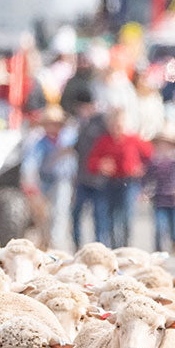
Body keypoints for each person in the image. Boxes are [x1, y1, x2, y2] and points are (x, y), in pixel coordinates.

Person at [87, 107, 152, 248]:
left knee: (126, 216)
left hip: (128, 182)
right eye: (114, 124)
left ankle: (125, 245)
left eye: (120, 124)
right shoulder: (104, 141)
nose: (117, 127)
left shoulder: (133, 139)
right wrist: (100, 165)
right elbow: (91, 162)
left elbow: (150, 156)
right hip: (110, 182)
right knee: (109, 216)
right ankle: (113, 246)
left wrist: (141, 168)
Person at [23, 105, 76, 250]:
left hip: (62, 179)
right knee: (42, 216)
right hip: (43, 179)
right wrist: (30, 182)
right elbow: (30, 162)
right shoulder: (37, 140)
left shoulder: (69, 137)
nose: (53, 127)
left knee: (60, 211)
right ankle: (45, 243)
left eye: (56, 123)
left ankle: (56, 245)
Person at [68, 91, 108, 249]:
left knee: (99, 215)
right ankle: (77, 242)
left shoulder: (100, 124)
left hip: (98, 178)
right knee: (76, 213)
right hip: (82, 176)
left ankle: (99, 244)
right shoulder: (79, 124)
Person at [144, 129, 175, 255]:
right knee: (159, 226)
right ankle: (158, 250)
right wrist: (145, 190)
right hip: (159, 198)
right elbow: (147, 177)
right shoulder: (155, 160)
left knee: (174, 227)